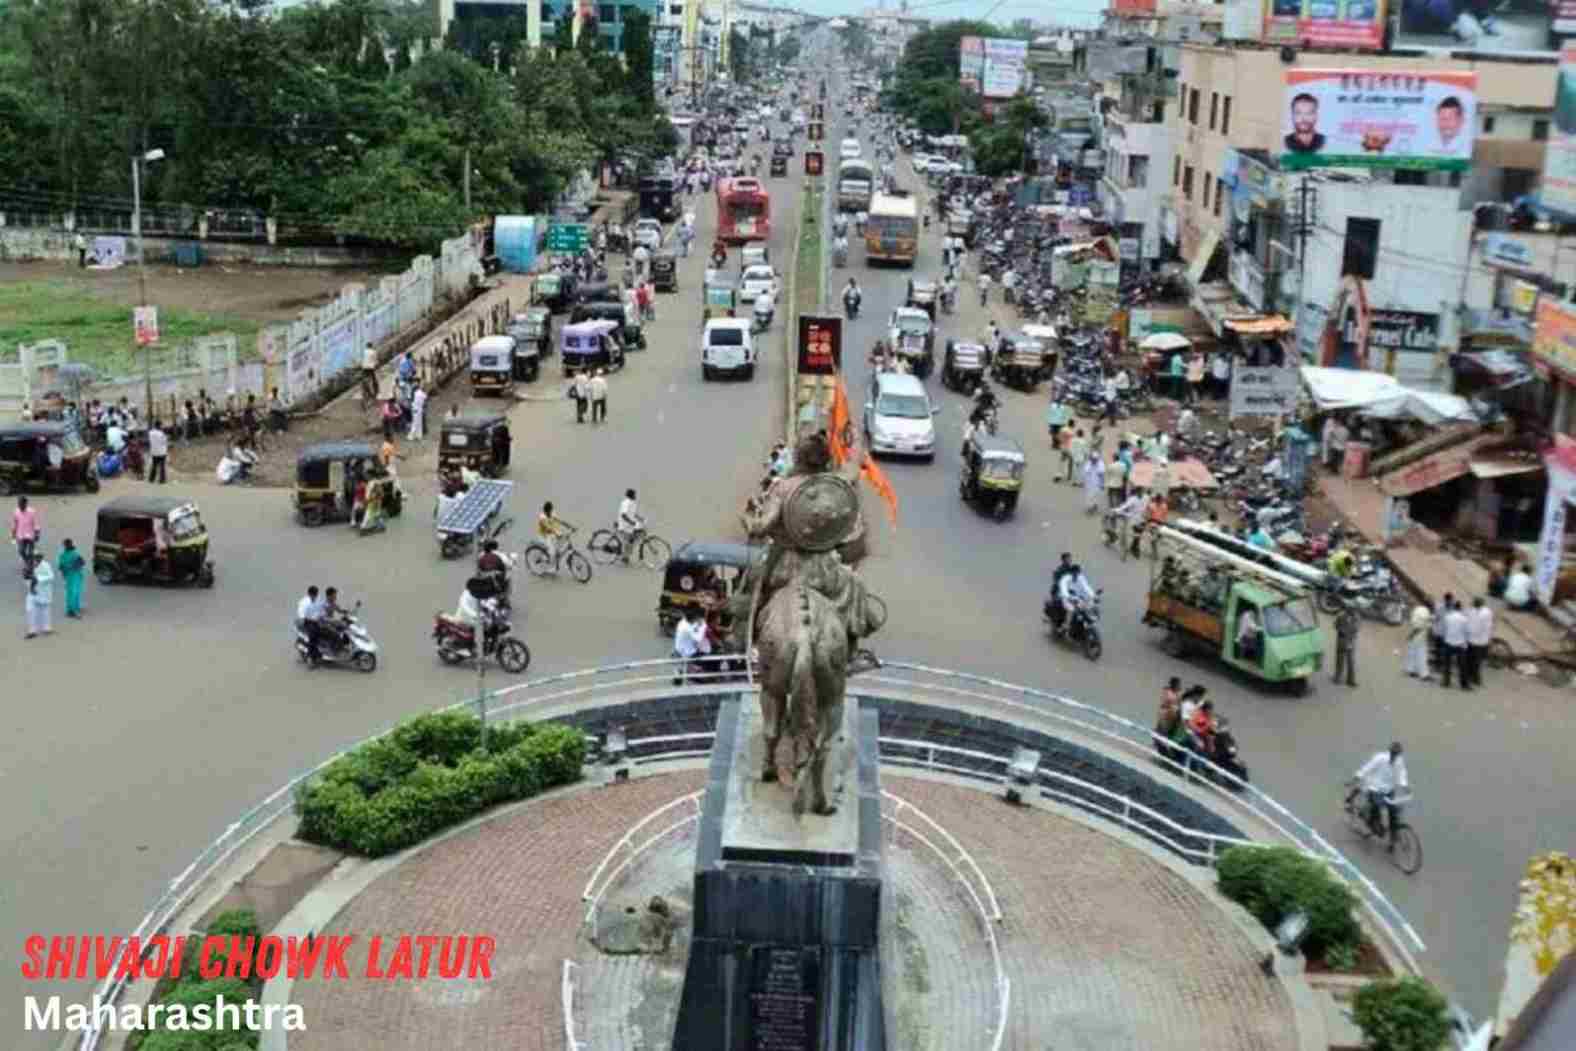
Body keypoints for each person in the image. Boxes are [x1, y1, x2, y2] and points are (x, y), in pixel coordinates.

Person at [1353, 742, 1408, 848]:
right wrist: (1358, 776)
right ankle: (1372, 823)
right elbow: (1367, 768)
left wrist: (1404, 785)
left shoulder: (1399, 761)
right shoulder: (1380, 758)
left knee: (1393, 812)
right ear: (1390, 752)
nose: (1395, 756)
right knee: (1378, 805)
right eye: (1393, 753)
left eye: (1397, 754)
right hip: (1375, 788)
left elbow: (1402, 773)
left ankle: (1393, 838)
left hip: (1388, 790)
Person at [671, 607, 712, 685]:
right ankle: (691, 676)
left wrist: (698, 625)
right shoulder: (687, 628)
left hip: (681, 649)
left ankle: (680, 677)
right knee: (706, 652)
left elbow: (694, 629)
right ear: (692, 619)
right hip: (686, 652)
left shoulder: (683, 622)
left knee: (680, 667)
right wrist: (703, 626)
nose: (696, 620)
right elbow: (698, 639)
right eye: (696, 619)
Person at [1441, 598, 1470, 689]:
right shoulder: (1464, 619)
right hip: (1460, 644)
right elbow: (1466, 632)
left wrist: (1446, 639)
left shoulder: (1447, 617)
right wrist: (1465, 644)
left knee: (1447, 664)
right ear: (1460, 608)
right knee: (1462, 666)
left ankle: (1446, 682)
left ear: (1453, 607)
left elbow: (1444, 630)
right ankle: (1464, 685)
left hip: (1448, 643)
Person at [24, 552, 53, 638]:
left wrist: (38, 579)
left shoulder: (46, 565)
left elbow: (51, 576)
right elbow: (26, 578)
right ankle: (32, 631)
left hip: (44, 591)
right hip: (32, 592)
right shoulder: (28, 566)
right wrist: (30, 586)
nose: (36, 559)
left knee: (45, 610)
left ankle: (47, 628)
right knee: (30, 610)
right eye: (35, 558)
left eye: (38, 558)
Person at [1466, 596, 1493, 689]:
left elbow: (1477, 627)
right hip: (1476, 640)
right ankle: (1472, 677)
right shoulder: (1483, 611)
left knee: (1475, 661)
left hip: (1478, 641)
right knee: (1473, 660)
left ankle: (1474, 678)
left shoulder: (1483, 613)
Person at [537, 501, 571, 569]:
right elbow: (548, 528)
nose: (551, 512)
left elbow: (560, 521)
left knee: (561, 542)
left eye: (551, 510)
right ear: (546, 511)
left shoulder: (552, 513)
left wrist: (570, 526)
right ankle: (550, 563)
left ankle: (556, 556)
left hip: (552, 533)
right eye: (550, 511)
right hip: (544, 536)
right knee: (552, 551)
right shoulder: (542, 518)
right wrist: (556, 533)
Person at [57, 538, 85, 619]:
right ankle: (72, 610)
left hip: (71, 576)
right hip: (75, 575)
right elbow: (82, 562)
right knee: (74, 592)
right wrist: (74, 566)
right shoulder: (74, 554)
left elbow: (61, 567)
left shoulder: (63, 555)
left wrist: (65, 573)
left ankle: (73, 609)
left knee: (72, 593)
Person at [1332, 605, 1359, 687]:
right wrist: (1342, 630)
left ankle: (1350, 680)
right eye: (1351, 609)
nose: (1352, 612)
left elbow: (1357, 628)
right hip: (1342, 640)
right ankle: (1337, 677)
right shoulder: (1341, 616)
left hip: (1350, 641)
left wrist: (1351, 635)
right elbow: (1335, 625)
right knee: (1340, 660)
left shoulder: (1356, 618)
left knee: (1350, 662)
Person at [1404, 603, 1432, 679]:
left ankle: (1411, 670)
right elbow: (1424, 626)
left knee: (1412, 654)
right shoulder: (1425, 611)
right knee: (1422, 656)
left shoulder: (1417, 611)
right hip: (1421, 637)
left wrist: (1410, 635)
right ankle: (1424, 674)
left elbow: (1416, 625)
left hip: (1415, 637)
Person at [11, 496, 40, 566]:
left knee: (30, 552)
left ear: (25, 504)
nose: (20, 506)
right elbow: (15, 523)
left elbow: (36, 523)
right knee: (21, 551)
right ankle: (28, 561)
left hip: (31, 535)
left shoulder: (32, 512)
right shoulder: (16, 512)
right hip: (20, 535)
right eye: (19, 504)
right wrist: (13, 534)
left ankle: (30, 563)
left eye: (21, 504)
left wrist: (37, 534)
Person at [616, 488, 644, 561]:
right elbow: (623, 515)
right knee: (629, 541)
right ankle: (624, 556)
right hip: (624, 526)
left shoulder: (632, 503)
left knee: (633, 538)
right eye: (634, 494)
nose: (635, 496)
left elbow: (632, 513)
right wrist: (631, 522)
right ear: (631, 495)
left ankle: (626, 555)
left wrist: (640, 518)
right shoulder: (626, 503)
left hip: (629, 526)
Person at [146, 419, 168, 484]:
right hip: (162, 452)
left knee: (154, 465)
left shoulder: (150, 433)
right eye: (161, 425)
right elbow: (164, 441)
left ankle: (151, 479)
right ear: (159, 426)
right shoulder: (161, 433)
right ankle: (162, 480)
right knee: (162, 466)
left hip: (154, 451)